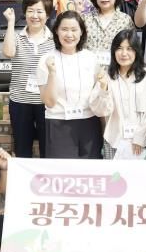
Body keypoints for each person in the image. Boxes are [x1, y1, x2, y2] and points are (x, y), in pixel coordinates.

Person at [37, 11, 103, 159]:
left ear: (81, 32)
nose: (69, 35)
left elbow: (98, 95)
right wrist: (52, 73)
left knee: (89, 169)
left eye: (74, 30)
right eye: (64, 29)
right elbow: (49, 102)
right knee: (62, 170)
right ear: (56, 31)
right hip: (58, 122)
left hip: (89, 123)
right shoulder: (46, 59)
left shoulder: (91, 58)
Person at [90, 29, 146, 160]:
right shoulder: (106, 76)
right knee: (115, 174)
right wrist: (104, 88)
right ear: (113, 51)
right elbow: (100, 111)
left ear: (137, 51)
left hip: (144, 141)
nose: (124, 53)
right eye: (119, 48)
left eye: (129, 49)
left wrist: (140, 137)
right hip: (115, 141)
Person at [1, 0, 55, 158]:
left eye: (40, 11)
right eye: (30, 11)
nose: (35, 16)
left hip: (46, 103)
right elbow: (8, 52)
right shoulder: (17, 37)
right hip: (20, 102)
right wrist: (11, 23)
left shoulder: (55, 40)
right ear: (25, 13)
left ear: (47, 15)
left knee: (49, 149)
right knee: (22, 149)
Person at [82, 0, 134, 68]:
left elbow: (131, 48)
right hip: (87, 69)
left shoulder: (125, 20)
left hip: (116, 71)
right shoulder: (85, 18)